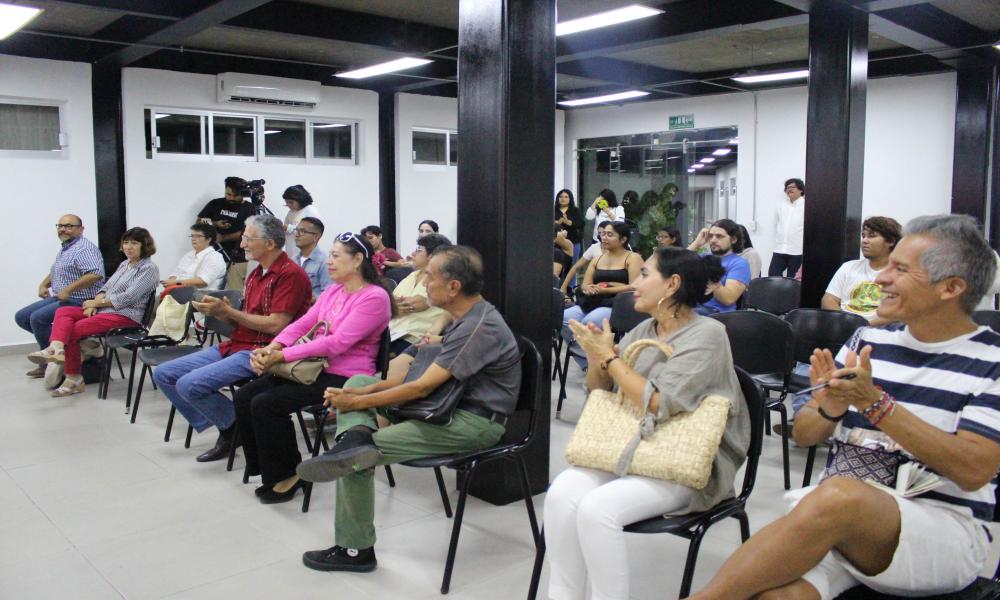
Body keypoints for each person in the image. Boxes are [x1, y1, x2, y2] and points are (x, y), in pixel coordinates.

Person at [690, 214, 1000, 600]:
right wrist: (831, 407)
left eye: (900, 270)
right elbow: (805, 435)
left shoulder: (991, 362)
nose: (881, 280)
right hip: (839, 523)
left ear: (951, 287)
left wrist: (875, 404)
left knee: (840, 495)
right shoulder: (869, 339)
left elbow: (972, 471)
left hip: (941, 534)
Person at [294, 245, 522, 573]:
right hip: (444, 405)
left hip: (471, 422)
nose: (423, 282)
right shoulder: (465, 317)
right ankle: (354, 439)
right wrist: (364, 391)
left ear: (453, 287)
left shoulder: (479, 327)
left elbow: (421, 387)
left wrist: (356, 403)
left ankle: (355, 550)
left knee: (357, 459)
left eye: (430, 276)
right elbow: (416, 379)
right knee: (358, 381)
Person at [548, 246, 750, 600]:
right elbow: (601, 391)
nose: (635, 284)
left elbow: (659, 403)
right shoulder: (646, 328)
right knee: (562, 493)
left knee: (598, 510)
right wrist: (597, 358)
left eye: (644, 274)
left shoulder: (708, 334)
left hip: (684, 462)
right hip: (631, 445)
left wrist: (610, 359)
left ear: (672, 284)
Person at [233, 233, 393, 504]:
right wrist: (272, 347)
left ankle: (288, 475)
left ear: (357, 260)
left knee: (266, 404)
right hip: (313, 367)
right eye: (329, 255)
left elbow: (338, 343)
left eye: (336, 256)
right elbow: (303, 324)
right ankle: (267, 468)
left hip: (345, 376)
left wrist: (282, 355)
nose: (328, 261)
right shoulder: (333, 291)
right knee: (245, 396)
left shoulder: (374, 298)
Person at [152, 215, 312, 463]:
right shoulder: (256, 273)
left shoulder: (290, 275)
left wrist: (230, 312)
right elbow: (245, 321)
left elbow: (276, 326)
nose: (242, 244)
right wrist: (221, 313)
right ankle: (233, 425)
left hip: (264, 351)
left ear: (269, 243)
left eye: (248, 238)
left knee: (189, 385)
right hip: (238, 344)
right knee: (164, 374)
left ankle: (232, 430)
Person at [29, 227, 159, 398]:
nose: (128, 247)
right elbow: (105, 288)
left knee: (72, 330)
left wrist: (97, 303)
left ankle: (74, 379)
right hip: (105, 310)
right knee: (64, 311)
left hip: (126, 316)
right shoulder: (125, 264)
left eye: (134, 243)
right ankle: (56, 348)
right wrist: (94, 304)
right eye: (126, 242)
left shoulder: (148, 268)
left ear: (145, 245)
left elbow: (129, 297)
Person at [16, 214, 104, 383]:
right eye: (60, 226)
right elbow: (58, 270)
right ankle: (74, 346)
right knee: (22, 317)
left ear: (81, 229)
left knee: (38, 318)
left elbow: (95, 274)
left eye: (69, 226)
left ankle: (50, 361)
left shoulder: (84, 248)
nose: (63, 229)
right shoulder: (67, 247)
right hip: (62, 297)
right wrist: (43, 284)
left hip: (81, 300)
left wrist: (68, 289)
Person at [562, 222, 641, 368]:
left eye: (610, 235)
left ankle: (604, 364)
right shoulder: (597, 258)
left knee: (589, 323)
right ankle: (589, 365)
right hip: (593, 301)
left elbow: (635, 286)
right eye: (603, 234)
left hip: (616, 305)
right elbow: (585, 284)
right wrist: (588, 289)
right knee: (564, 318)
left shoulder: (632, 258)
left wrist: (606, 289)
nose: (604, 237)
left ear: (623, 239)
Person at [822, 216, 902, 324]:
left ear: (891, 241)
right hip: (844, 327)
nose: (864, 240)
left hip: (879, 330)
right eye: (863, 236)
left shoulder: (902, 275)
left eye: (872, 236)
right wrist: (845, 323)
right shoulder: (848, 267)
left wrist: (864, 327)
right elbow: (828, 300)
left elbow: (900, 314)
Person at [388, 232, 452, 356]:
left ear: (432, 256)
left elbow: (417, 303)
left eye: (418, 250)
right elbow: (388, 301)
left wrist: (392, 306)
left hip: (413, 338)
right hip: (391, 333)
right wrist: (392, 306)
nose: (413, 254)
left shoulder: (441, 279)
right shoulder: (412, 275)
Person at [198, 177, 255, 291]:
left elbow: (249, 232)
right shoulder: (215, 203)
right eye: (228, 194)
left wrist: (223, 238)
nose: (231, 198)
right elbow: (199, 221)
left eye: (235, 195)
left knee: (234, 292)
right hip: (213, 255)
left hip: (238, 258)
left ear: (242, 194)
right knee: (208, 291)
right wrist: (215, 223)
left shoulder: (249, 208)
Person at [689, 219, 751, 315]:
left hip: (717, 313)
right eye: (711, 236)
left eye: (719, 236)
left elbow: (728, 299)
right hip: (694, 307)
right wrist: (696, 243)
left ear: (733, 239)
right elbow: (673, 266)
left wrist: (712, 281)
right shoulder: (704, 256)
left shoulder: (739, 263)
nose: (713, 240)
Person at [160, 223, 227, 295]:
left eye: (198, 236)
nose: (193, 239)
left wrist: (175, 283)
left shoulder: (215, 257)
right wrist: (169, 283)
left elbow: (202, 282)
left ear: (209, 239)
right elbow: (176, 273)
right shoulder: (189, 254)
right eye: (192, 236)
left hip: (201, 296)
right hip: (179, 292)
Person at [559, 221, 611, 295]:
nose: (602, 236)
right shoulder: (595, 247)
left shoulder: (619, 249)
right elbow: (576, 267)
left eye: (605, 233)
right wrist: (564, 286)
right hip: (595, 285)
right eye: (600, 233)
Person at [769, 178, 805, 277]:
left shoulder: (806, 205)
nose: (789, 189)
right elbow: (776, 223)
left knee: (793, 280)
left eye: (792, 187)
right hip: (780, 248)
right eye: (787, 187)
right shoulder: (780, 205)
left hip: (797, 250)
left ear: (801, 190)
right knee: (773, 275)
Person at [291, 216, 331, 302]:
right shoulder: (292, 260)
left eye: (302, 231)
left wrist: (313, 299)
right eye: (296, 230)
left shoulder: (325, 263)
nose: (297, 235)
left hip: (312, 309)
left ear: (315, 237)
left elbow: (330, 297)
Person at [281, 185, 321, 255]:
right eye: (287, 203)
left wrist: (289, 228)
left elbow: (313, 232)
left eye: (291, 202)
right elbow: (286, 231)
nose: (289, 205)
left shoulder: (311, 211)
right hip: (291, 252)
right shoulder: (291, 212)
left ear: (300, 199)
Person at [554, 189, 583, 259]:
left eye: (566, 197)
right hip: (556, 243)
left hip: (573, 242)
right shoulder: (553, 210)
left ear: (570, 199)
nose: (563, 199)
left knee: (572, 264)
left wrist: (569, 222)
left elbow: (581, 223)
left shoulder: (575, 210)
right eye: (561, 197)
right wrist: (556, 223)